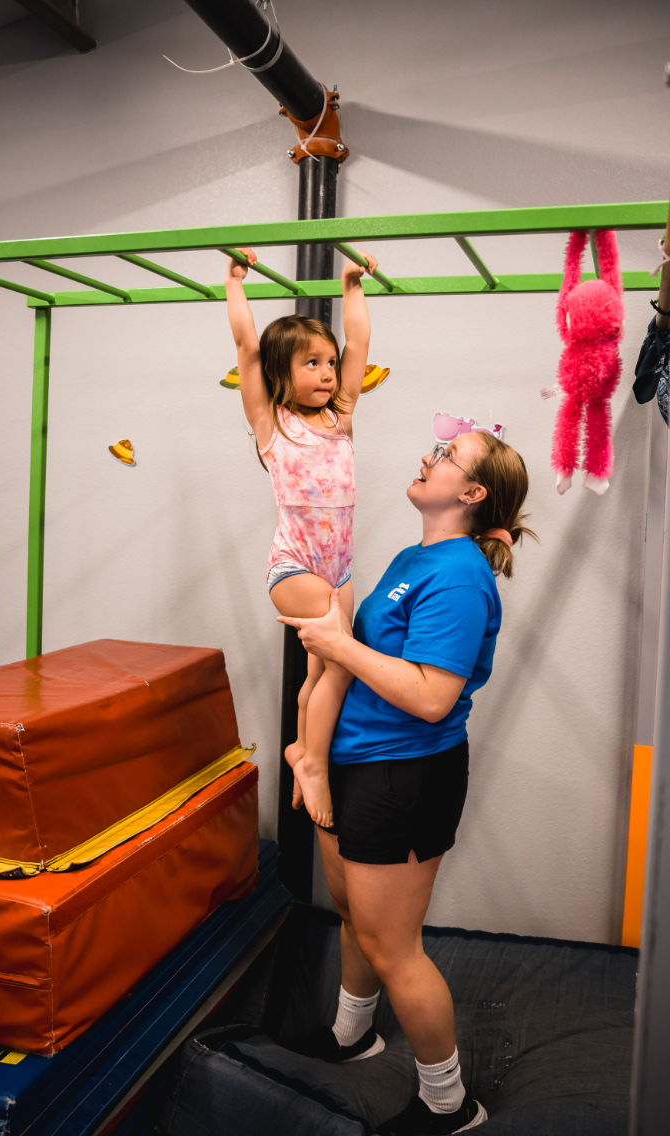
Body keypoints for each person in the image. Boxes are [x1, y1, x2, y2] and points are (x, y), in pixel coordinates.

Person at [279, 428, 535, 1135]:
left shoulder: (457, 576)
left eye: (447, 456)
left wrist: (341, 645)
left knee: (396, 948)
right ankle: (353, 1033)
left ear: (472, 494)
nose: (429, 456)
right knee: (355, 917)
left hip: (405, 776)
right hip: (357, 764)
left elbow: (430, 696)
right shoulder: (412, 557)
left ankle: (448, 1104)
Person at [225, 245, 378, 828]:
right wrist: (236, 284)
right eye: (311, 363)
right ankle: (311, 763)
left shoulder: (340, 416)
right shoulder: (272, 425)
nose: (328, 373)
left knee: (319, 672)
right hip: (293, 570)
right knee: (342, 662)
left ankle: (298, 745)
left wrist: (352, 287)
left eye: (330, 363)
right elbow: (245, 346)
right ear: (280, 372)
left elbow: (359, 344)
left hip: (338, 572)